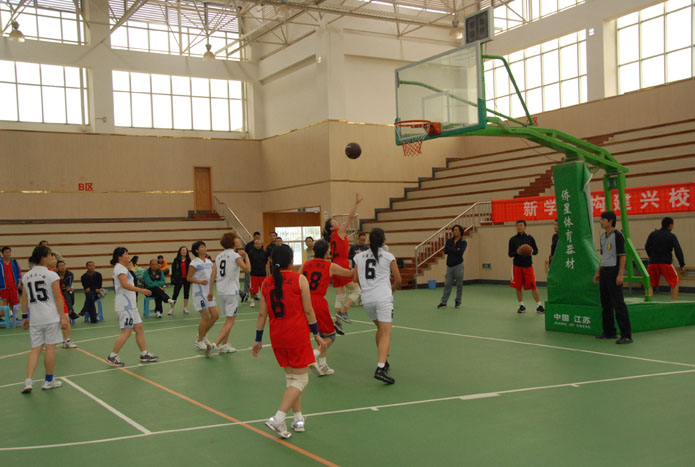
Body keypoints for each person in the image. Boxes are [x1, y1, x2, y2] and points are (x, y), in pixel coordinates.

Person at [252, 245, 327, 439]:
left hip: (277, 336)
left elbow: (262, 314)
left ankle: (298, 420)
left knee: (292, 379)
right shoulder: (299, 279)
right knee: (301, 380)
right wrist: (317, 334)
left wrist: (258, 339)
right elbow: (308, 310)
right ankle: (278, 418)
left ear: (271, 261)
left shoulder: (266, 283)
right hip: (296, 335)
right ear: (291, 261)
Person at [353, 228, 401, 384]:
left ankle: (383, 361)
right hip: (383, 298)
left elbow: (355, 278)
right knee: (386, 333)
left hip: (367, 300)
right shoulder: (388, 256)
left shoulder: (359, 257)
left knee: (380, 329)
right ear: (384, 240)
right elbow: (398, 280)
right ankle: (380, 368)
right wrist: (392, 289)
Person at [299, 239, 353, 376]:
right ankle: (314, 354)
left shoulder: (306, 264)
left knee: (320, 334)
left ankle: (323, 366)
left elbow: (297, 279)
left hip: (302, 300)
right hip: (317, 302)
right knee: (331, 335)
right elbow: (350, 274)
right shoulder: (330, 266)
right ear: (326, 252)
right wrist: (358, 263)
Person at [20, 245, 68, 393]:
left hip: (35, 318)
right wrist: (63, 317)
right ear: (43, 258)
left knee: (35, 349)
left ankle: (28, 381)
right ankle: (48, 380)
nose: (52, 258)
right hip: (50, 317)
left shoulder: (26, 276)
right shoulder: (51, 275)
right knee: (50, 348)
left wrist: (24, 316)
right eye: (49, 255)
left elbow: (24, 298)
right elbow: (58, 298)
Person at [106, 247, 159, 366]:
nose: (128, 256)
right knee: (127, 331)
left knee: (139, 327)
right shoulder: (119, 269)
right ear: (119, 257)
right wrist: (142, 290)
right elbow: (125, 285)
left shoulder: (124, 268)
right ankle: (112, 356)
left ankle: (144, 354)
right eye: (126, 254)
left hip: (131, 305)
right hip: (125, 305)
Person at [324, 193, 363, 334]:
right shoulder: (340, 231)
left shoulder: (332, 237)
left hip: (334, 265)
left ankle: (338, 323)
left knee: (340, 295)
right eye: (334, 221)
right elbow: (350, 217)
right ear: (332, 228)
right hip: (342, 265)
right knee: (357, 290)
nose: (337, 222)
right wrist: (356, 203)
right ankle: (344, 311)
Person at [208, 232, 250, 356]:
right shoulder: (235, 255)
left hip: (221, 291)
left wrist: (210, 292)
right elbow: (247, 269)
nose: (238, 240)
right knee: (230, 320)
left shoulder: (218, 256)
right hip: (232, 291)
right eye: (236, 238)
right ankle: (215, 344)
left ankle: (224, 345)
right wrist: (246, 256)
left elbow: (213, 275)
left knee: (229, 319)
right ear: (232, 241)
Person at [593, 211, 632, 344]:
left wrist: (620, 274)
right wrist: (598, 272)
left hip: (614, 271)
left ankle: (626, 335)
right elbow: (604, 257)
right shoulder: (603, 237)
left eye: (602, 219)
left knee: (618, 303)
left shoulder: (618, 236)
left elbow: (622, 256)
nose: (600, 222)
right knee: (606, 303)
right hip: (604, 271)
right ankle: (609, 331)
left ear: (610, 221)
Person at [188, 241, 219, 351]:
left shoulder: (209, 261)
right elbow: (188, 278)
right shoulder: (194, 263)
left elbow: (212, 275)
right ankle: (200, 341)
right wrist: (200, 282)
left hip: (209, 292)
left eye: (204, 246)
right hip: (199, 293)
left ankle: (202, 335)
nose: (204, 248)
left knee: (215, 315)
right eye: (201, 247)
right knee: (205, 317)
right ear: (196, 250)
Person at [645, 217, 686, 301]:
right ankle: (674, 302)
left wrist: (650, 256)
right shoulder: (671, 236)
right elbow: (678, 250)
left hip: (653, 263)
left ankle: (648, 301)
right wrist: (682, 264)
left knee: (649, 284)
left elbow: (647, 246)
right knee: (674, 283)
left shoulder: (653, 234)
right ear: (670, 225)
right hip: (666, 263)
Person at [508, 219, 544, 314]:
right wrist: (517, 252)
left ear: (525, 227)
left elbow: (536, 251)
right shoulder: (512, 239)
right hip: (517, 266)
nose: (519, 227)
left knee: (533, 286)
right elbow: (510, 254)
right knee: (518, 287)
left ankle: (539, 306)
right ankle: (522, 305)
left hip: (528, 266)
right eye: (517, 225)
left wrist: (531, 251)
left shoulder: (530, 238)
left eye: (521, 225)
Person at [437, 225, 467, 309]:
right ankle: (443, 302)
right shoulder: (449, 241)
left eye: (457, 230)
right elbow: (446, 251)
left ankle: (458, 301)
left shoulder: (463, 242)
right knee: (447, 284)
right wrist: (455, 250)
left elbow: (460, 253)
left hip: (459, 266)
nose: (455, 231)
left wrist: (451, 249)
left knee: (459, 284)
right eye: (454, 230)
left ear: (460, 231)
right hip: (449, 266)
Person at [0, 246, 22, 322]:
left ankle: (14, 316)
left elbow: (19, 273)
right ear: (2, 253)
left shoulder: (14, 262)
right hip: (3, 288)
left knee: (14, 303)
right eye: (6, 252)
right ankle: (2, 318)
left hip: (13, 287)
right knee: (3, 304)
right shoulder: (0, 263)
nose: (8, 254)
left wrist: (19, 283)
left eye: (9, 252)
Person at [170, 246, 192, 315]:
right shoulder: (176, 260)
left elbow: (191, 269)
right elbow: (173, 270)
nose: (184, 251)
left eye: (185, 250)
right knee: (175, 294)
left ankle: (185, 308)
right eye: (182, 250)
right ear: (180, 251)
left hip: (186, 279)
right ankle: (171, 308)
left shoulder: (189, 260)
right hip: (178, 279)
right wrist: (173, 279)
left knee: (186, 293)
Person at [247, 238, 268, 308]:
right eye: (256, 244)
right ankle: (252, 301)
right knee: (253, 289)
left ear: (261, 244)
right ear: (254, 245)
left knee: (264, 289)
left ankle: (264, 301)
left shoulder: (264, 252)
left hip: (263, 273)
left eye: (259, 244)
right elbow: (248, 262)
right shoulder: (250, 253)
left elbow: (266, 261)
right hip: (254, 274)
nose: (258, 245)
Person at [242, 232, 262, 301]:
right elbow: (245, 256)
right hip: (249, 265)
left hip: (257, 267)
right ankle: (246, 295)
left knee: (255, 282)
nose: (257, 238)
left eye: (259, 237)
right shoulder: (248, 245)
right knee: (247, 280)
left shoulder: (261, 245)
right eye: (256, 237)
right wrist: (246, 265)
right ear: (253, 237)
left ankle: (255, 295)